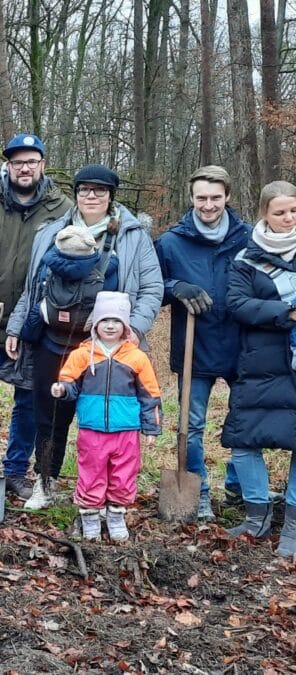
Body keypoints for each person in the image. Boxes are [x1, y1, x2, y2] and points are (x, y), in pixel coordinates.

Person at [6, 164, 163, 510]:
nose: (91, 196)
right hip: (53, 340)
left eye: (100, 190)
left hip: (108, 347)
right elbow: (32, 287)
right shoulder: (51, 232)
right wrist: (17, 325)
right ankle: (45, 481)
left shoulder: (132, 236)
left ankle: (102, 492)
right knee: (49, 415)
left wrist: (134, 329)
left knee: (104, 420)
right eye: (84, 189)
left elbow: (152, 288)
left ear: (111, 196)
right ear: (75, 194)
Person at [0, 133, 72, 501]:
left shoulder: (62, 208)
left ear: (42, 165)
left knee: (29, 400)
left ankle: (15, 471)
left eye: (31, 161)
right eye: (18, 162)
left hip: (36, 325)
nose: (25, 168)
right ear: (7, 166)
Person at [154, 166, 255, 520]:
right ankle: (198, 494)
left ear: (228, 196)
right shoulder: (171, 242)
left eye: (215, 197)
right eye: (201, 198)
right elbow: (153, 287)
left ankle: (239, 487)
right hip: (194, 346)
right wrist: (175, 287)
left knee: (244, 420)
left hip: (242, 344)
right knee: (192, 424)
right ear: (191, 198)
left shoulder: (249, 237)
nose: (208, 205)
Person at [221, 180, 296, 558]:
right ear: (264, 213)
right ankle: (257, 517)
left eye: (294, 211)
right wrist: (287, 313)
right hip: (260, 364)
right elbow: (237, 304)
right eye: (280, 212)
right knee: (243, 440)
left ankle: (293, 526)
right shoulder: (246, 259)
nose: (288, 218)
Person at [51, 291, 162, 542]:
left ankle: (116, 515)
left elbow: (150, 394)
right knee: (91, 472)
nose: (110, 326)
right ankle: (90, 516)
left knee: (124, 474)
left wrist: (151, 428)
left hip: (126, 429)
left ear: (125, 326)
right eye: (104, 321)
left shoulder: (136, 357)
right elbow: (69, 381)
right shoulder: (82, 354)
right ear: (95, 325)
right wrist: (62, 389)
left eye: (116, 321)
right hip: (92, 428)